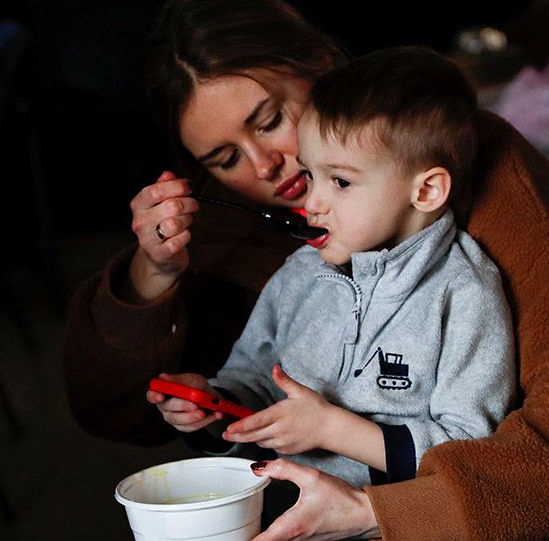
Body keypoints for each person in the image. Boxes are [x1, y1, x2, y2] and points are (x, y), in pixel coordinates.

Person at [62, 0, 549, 538]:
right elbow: (113, 413)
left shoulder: (472, 221)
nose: (265, 167)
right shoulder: (260, 242)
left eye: (269, 121)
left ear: (321, 64)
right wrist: (158, 286)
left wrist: (374, 510)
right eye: (223, 158)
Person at [152, 46, 516, 490]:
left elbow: (469, 451)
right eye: (310, 175)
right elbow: (252, 379)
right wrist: (217, 403)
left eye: (339, 181)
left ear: (427, 191)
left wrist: (333, 430)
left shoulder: (463, 294)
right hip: (282, 511)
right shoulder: (299, 272)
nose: (312, 202)